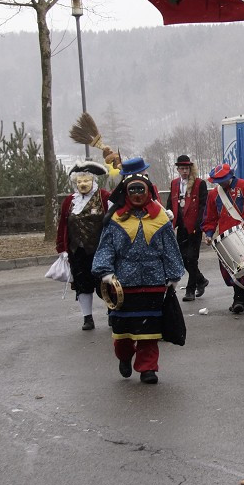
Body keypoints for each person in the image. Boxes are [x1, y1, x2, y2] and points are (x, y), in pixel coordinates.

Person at [92, 169, 184, 384]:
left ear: (148, 191)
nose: (136, 194)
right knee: (123, 332)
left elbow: (171, 248)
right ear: (125, 192)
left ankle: (147, 368)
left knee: (150, 330)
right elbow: (105, 248)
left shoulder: (161, 218)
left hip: (153, 282)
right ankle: (124, 357)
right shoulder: (115, 219)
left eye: (140, 189)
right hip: (123, 284)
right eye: (131, 190)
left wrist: (173, 274)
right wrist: (105, 272)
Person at [56, 161, 111, 330]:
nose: (82, 184)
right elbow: (63, 226)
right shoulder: (69, 202)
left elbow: (114, 222)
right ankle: (87, 318)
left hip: (100, 250)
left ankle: (112, 313)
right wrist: (62, 248)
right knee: (82, 284)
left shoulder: (104, 197)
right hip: (77, 250)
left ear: (93, 181)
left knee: (105, 283)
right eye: (79, 181)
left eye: (86, 180)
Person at [202, 163, 244, 314]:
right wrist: (208, 233)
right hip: (224, 236)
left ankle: (239, 299)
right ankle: (241, 299)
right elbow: (210, 217)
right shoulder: (214, 194)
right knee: (229, 268)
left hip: (243, 234)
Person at [167, 154, 210, 302]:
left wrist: (199, 225)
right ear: (178, 169)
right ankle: (201, 280)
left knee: (192, 258)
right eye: (182, 168)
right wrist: (168, 221)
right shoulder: (174, 184)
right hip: (181, 227)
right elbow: (169, 205)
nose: (184, 171)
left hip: (194, 227)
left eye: (187, 168)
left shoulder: (199, 183)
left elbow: (204, 206)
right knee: (182, 258)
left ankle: (190, 290)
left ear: (190, 169)